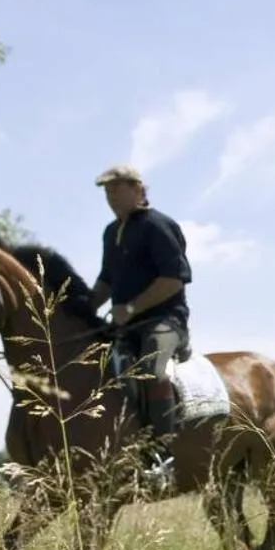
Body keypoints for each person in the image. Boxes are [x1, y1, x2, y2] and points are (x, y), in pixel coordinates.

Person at [82, 164, 192, 492]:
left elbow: (174, 279)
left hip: (165, 322)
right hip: (125, 327)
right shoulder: (110, 232)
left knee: (151, 370)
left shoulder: (159, 226)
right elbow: (105, 281)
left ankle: (164, 457)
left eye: (116, 189)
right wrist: (82, 310)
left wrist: (130, 308)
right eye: (106, 192)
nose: (110, 197)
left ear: (139, 189)